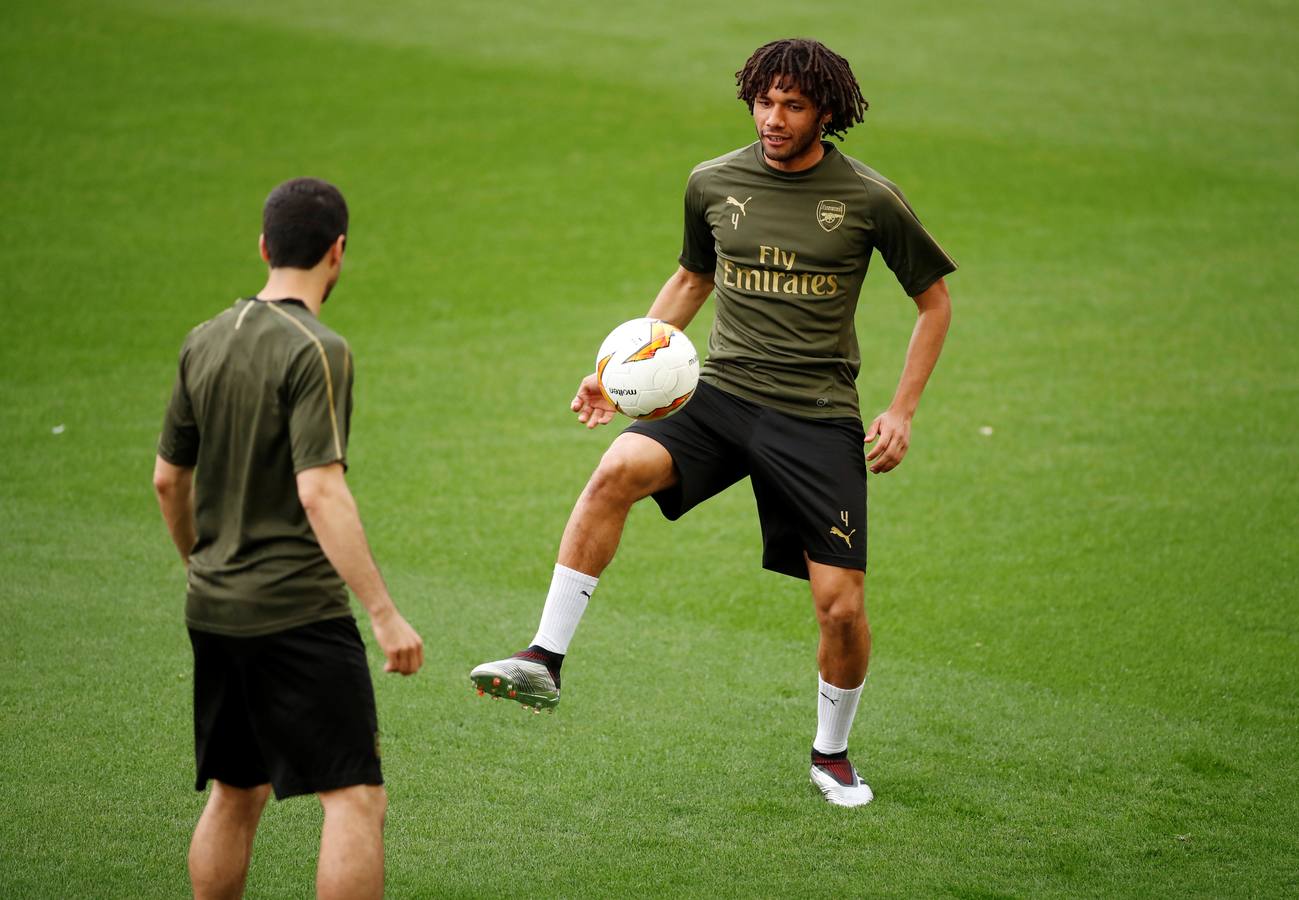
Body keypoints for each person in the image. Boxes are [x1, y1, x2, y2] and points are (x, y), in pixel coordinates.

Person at [471, 38, 955, 807]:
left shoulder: (869, 199)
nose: (773, 118)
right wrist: (611, 375)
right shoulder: (712, 182)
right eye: (764, 102)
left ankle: (830, 754)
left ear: (824, 112)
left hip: (815, 416)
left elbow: (933, 301)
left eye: (792, 105)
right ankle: (544, 657)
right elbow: (692, 277)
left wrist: (901, 411)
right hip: (721, 394)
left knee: (841, 604)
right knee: (615, 472)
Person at [153, 177, 424, 898]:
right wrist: (383, 612)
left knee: (236, 791)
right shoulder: (318, 349)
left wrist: (199, 567)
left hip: (213, 608)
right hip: (297, 613)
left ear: (264, 247)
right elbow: (320, 488)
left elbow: (167, 481)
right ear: (338, 252)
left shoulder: (202, 340)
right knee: (354, 798)